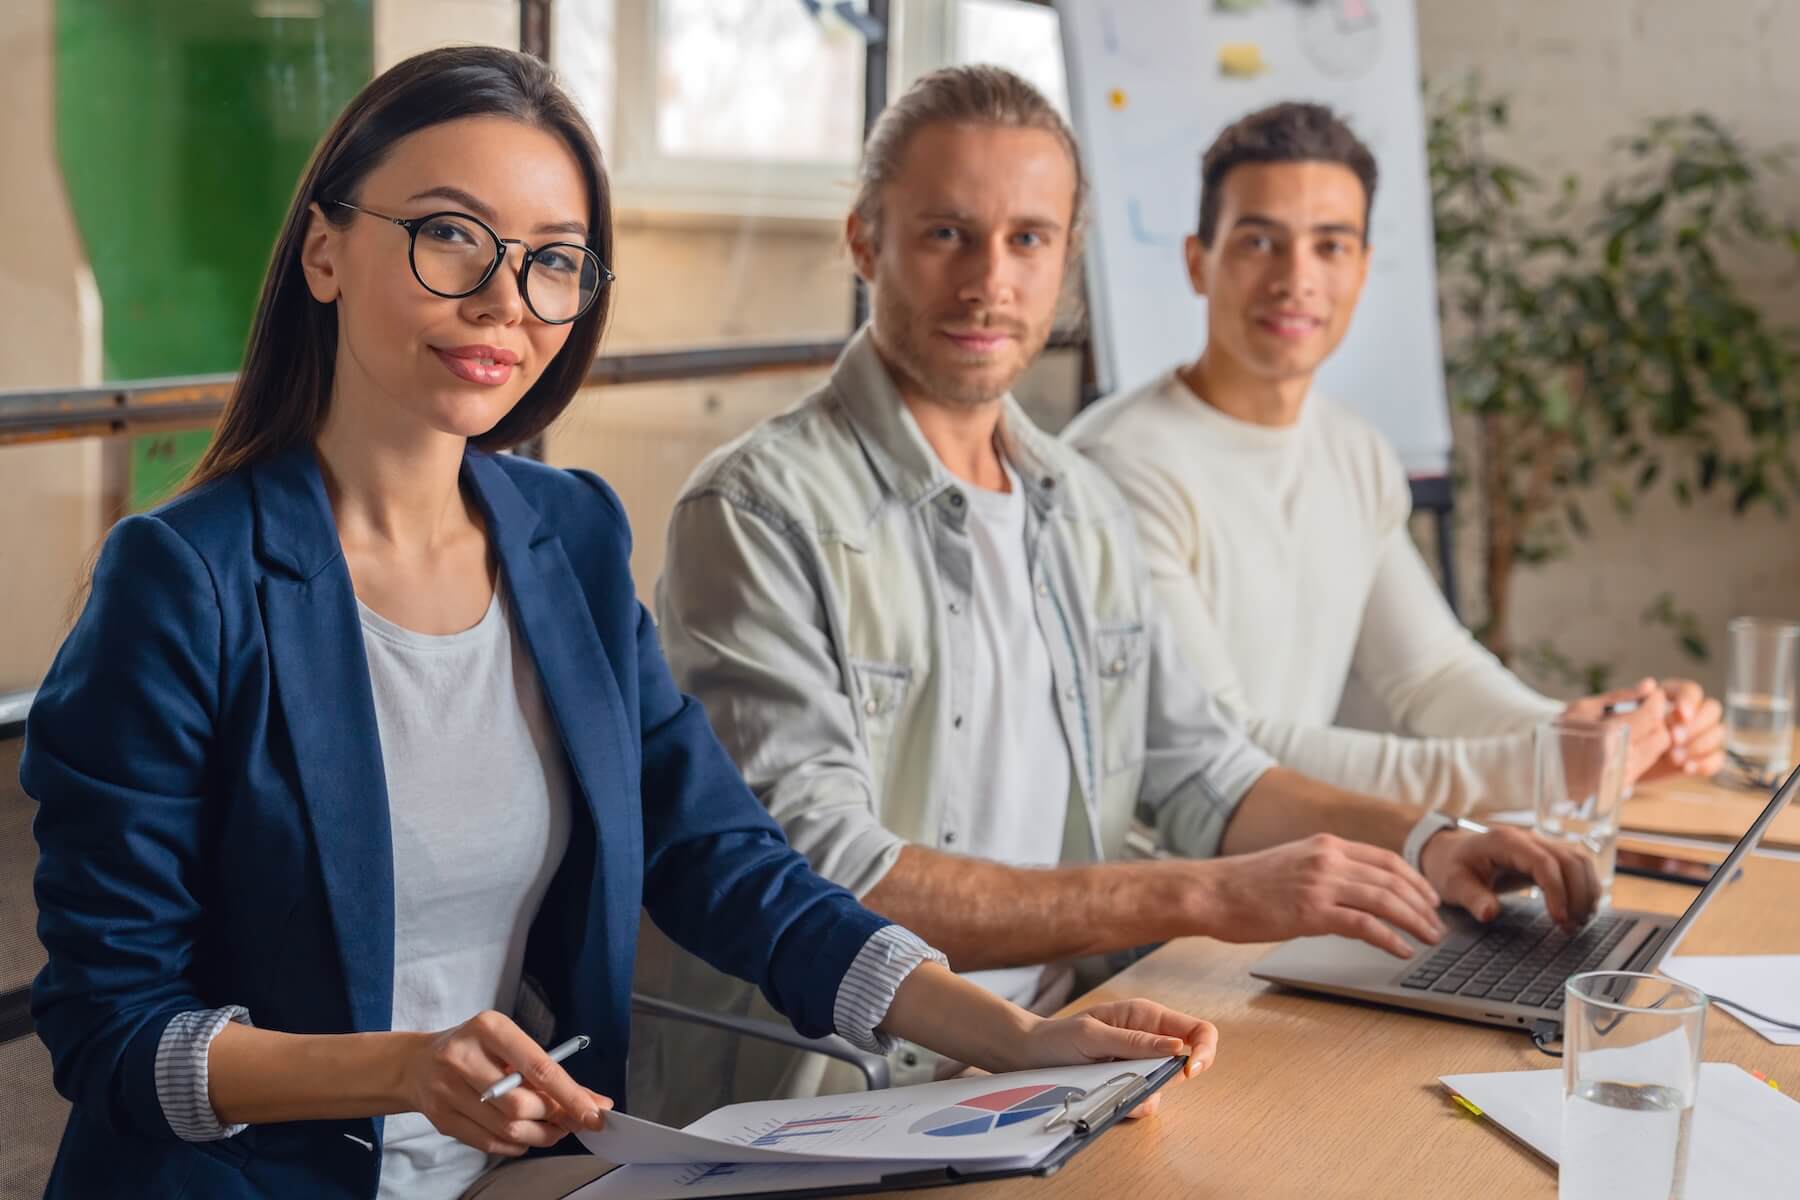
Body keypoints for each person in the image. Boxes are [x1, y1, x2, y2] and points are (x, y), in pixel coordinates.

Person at [22, 48, 1220, 1200]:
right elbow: (110, 1025)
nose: (504, 298)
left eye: (554, 259)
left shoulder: (571, 537)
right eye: (449, 234)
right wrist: (397, 1068)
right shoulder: (183, 579)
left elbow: (722, 858)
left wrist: (1011, 1037)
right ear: (325, 250)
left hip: (531, 1176)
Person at [637, 65, 1598, 1128]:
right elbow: (831, 879)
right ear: (865, 242)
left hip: (1073, 1052)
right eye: (947, 233)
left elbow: (1203, 765)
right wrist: (1202, 894)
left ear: (1067, 264)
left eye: (1028, 239)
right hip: (854, 1089)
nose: (990, 281)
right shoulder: (757, 509)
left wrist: (1430, 841)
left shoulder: (1077, 503)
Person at [1068, 101, 1726, 815]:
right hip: (1165, 899)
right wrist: (1549, 768)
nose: (1297, 278)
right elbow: (1224, 749)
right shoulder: (1120, 466)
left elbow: (1434, 675)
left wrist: (1594, 733)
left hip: (1290, 873)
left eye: (1330, 245)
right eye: (1260, 242)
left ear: (1363, 267)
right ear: (1199, 262)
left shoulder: (1353, 450)